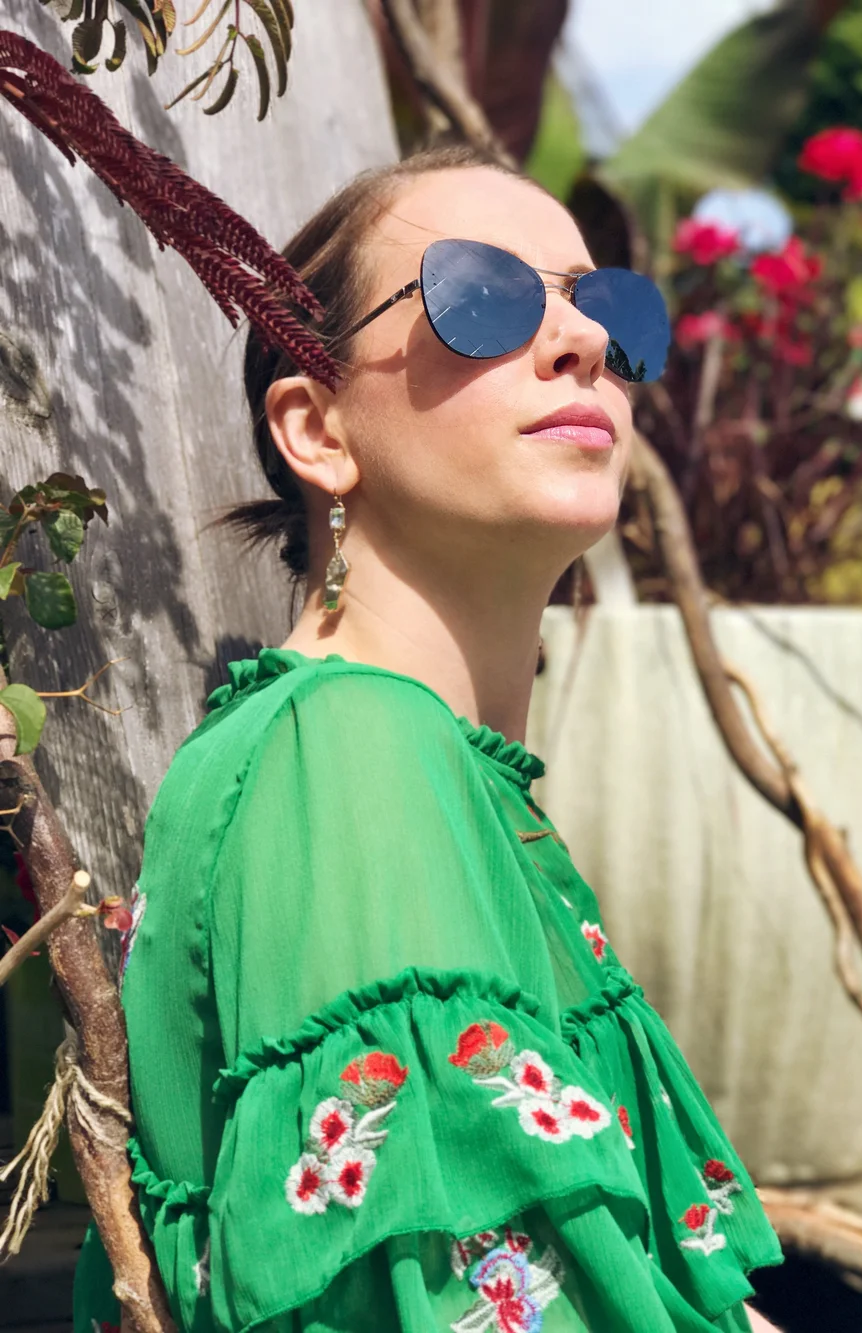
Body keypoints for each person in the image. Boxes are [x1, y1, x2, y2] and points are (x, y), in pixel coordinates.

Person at [73, 145, 784, 1333]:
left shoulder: (427, 766)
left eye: (607, 307)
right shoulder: (346, 749)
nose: (583, 343)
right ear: (317, 431)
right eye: (482, 297)